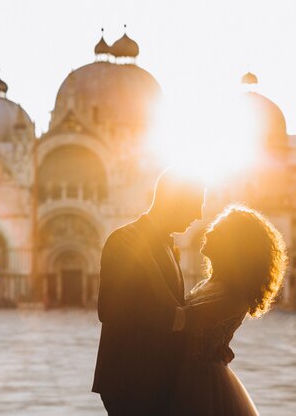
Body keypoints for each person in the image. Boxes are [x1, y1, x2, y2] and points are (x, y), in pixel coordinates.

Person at [92, 171, 206, 416]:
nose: (199, 215)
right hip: (131, 380)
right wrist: (177, 321)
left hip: (159, 380)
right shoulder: (124, 240)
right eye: (195, 206)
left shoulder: (170, 245)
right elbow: (108, 309)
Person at [171, 204, 288, 415]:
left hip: (200, 385)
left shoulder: (234, 296)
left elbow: (180, 320)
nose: (209, 230)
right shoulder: (210, 284)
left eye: (219, 229)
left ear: (234, 246)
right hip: (183, 376)